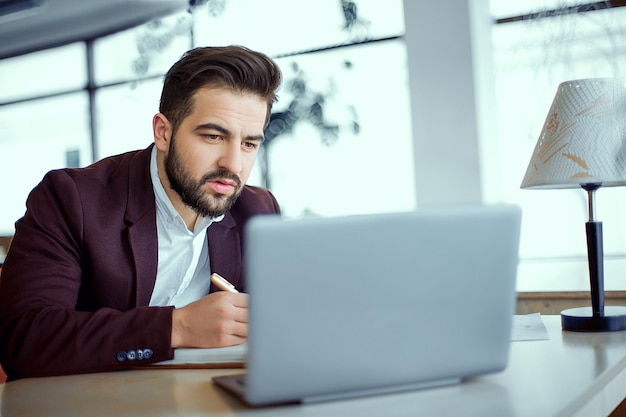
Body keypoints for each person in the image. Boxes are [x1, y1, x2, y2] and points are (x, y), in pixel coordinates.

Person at [0, 45, 283, 380]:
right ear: (163, 132)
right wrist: (178, 327)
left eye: (249, 144)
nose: (233, 164)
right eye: (212, 136)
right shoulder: (71, 199)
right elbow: (26, 339)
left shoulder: (258, 211)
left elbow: (278, 326)